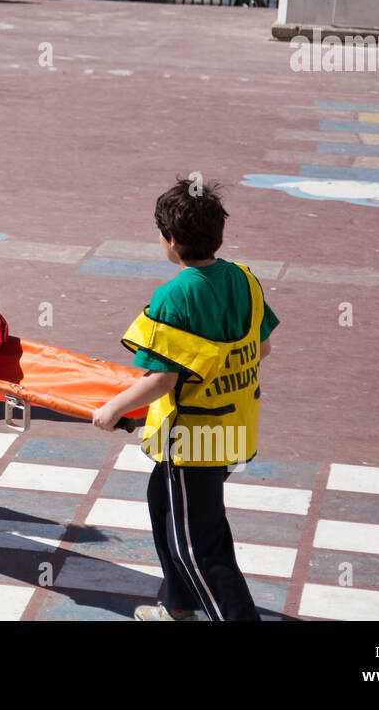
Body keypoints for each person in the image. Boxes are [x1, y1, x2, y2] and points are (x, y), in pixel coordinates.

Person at [92, 179, 278, 621]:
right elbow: (263, 347)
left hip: (192, 439)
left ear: (170, 239)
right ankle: (179, 608)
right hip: (233, 428)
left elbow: (161, 379)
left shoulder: (176, 295)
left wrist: (113, 408)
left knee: (200, 548)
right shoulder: (244, 279)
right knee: (165, 504)